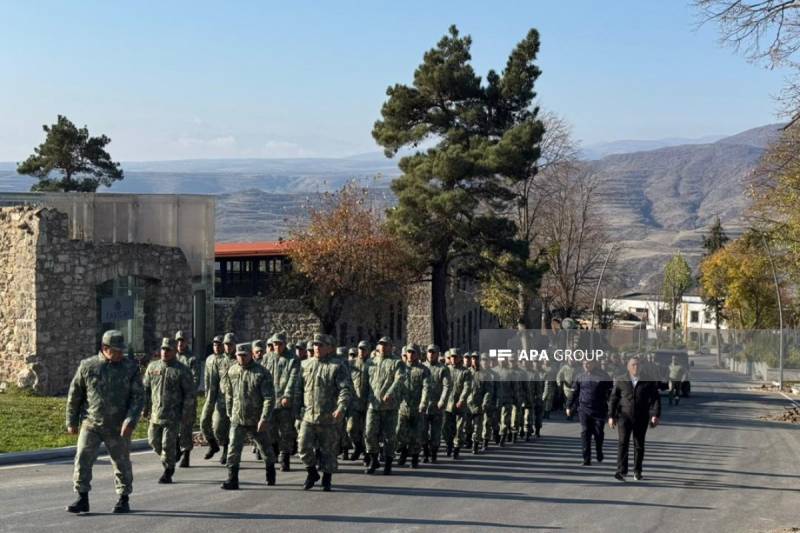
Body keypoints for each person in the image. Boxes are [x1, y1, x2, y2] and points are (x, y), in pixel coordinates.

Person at [65, 330, 144, 514]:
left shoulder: (130, 368)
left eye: (121, 351)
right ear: (104, 348)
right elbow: (75, 394)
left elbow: (138, 397)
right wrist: (71, 420)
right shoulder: (88, 366)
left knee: (121, 462)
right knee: (82, 458)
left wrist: (131, 420)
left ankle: (123, 499)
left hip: (118, 426)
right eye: (115, 351)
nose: (119, 354)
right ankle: (82, 498)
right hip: (91, 423)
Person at [298, 334, 352, 491]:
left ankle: (327, 480)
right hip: (308, 415)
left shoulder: (338, 366)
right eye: (315, 345)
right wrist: (296, 411)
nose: (317, 347)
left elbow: (345, 389)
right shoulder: (305, 365)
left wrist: (341, 408)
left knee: (328, 451)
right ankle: (312, 472)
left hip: (329, 416)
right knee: (302, 446)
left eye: (321, 345)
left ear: (329, 347)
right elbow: (298, 389)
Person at [220, 342, 276, 490]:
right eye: (239, 355)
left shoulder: (261, 373)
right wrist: (229, 411)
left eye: (244, 355)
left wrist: (264, 418)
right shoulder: (232, 371)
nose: (242, 358)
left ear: (251, 354)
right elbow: (229, 394)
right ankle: (232, 479)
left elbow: (269, 398)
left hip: (256, 419)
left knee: (265, 448)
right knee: (233, 448)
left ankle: (270, 470)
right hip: (237, 418)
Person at [143, 337, 195, 483]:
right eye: (163, 349)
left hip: (173, 416)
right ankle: (172, 454)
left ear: (174, 351)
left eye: (168, 350)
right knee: (153, 441)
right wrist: (145, 408)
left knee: (167, 445)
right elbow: (145, 389)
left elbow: (189, 395)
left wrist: (186, 414)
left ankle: (168, 471)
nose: (165, 352)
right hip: (155, 414)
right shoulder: (152, 367)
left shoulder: (182, 370)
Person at [608, 356, 662, 481]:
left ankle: (637, 471)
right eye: (633, 365)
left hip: (641, 417)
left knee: (639, 445)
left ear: (641, 366)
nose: (636, 367)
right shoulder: (621, 380)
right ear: (628, 367)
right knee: (623, 443)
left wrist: (655, 415)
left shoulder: (648, 381)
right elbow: (613, 399)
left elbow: (655, 399)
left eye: (638, 365)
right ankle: (621, 471)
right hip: (624, 417)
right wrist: (611, 416)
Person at [365, 337, 406, 475]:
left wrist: (390, 392)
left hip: (390, 406)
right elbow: (365, 382)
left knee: (389, 436)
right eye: (380, 344)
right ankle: (373, 459)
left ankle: (388, 463)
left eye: (385, 345)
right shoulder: (370, 362)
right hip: (373, 405)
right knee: (370, 433)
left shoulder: (397, 363)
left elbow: (399, 379)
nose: (382, 347)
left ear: (391, 346)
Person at [261, 332, 300, 472]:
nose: (277, 346)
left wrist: (287, 396)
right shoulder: (267, 358)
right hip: (270, 401)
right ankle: (275, 449)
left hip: (284, 403)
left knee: (286, 432)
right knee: (270, 430)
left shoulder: (292, 359)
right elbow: (262, 377)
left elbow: (293, 378)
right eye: (274, 344)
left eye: (279, 344)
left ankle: (285, 457)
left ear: (284, 344)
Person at [566, 359, 612, 466]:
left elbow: (611, 393)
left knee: (598, 433)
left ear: (594, 364)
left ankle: (599, 451)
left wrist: (612, 410)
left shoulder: (604, 376)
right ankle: (586, 459)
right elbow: (574, 393)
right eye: (584, 363)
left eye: (588, 363)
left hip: (599, 409)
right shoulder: (579, 377)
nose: (586, 365)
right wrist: (568, 406)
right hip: (584, 409)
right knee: (585, 432)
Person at [202, 332, 236, 464]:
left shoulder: (238, 359)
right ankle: (215, 445)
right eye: (225, 345)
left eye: (228, 344)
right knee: (215, 426)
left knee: (232, 427)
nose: (226, 347)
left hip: (235, 400)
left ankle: (228, 451)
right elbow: (212, 380)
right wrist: (209, 395)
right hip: (218, 398)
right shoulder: (216, 360)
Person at [396, 345, 431, 467]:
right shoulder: (401, 368)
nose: (410, 354)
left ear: (417, 354)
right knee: (400, 432)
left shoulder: (423, 370)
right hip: (402, 407)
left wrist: (423, 403)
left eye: (413, 352)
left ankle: (415, 457)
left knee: (416, 435)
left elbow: (426, 388)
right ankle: (403, 452)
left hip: (417, 407)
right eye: (408, 352)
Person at [421, 344, 451, 463]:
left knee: (435, 432)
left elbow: (447, 386)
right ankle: (425, 453)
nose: (431, 354)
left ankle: (433, 453)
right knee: (422, 431)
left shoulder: (443, 369)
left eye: (433, 352)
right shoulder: (422, 367)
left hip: (437, 406)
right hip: (423, 406)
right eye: (429, 352)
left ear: (438, 354)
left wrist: (442, 400)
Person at [175, 330, 200, 468]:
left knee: (185, 428)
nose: (180, 343)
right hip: (173, 400)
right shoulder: (173, 357)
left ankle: (186, 454)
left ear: (186, 342)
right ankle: (177, 449)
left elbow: (195, 380)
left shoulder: (192, 359)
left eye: (182, 341)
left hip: (187, 400)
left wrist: (186, 392)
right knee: (173, 427)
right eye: (178, 341)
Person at [200, 335, 226, 460]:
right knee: (203, 422)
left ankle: (226, 448)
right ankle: (213, 445)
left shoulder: (227, 360)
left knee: (219, 426)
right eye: (215, 344)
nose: (216, 347)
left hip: (222, 397)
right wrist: (206, 392)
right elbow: (206, 377)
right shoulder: (209, 359)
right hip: (210, 395)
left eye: (219, 344)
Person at [444, 348, 473, 459]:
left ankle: (456, 448)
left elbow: (467, 387)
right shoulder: (446, 370)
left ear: (459, 358)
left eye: (455, 357)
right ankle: (449, 444)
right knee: (446, 427)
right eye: (452, 357)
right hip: (447, 405)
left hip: (459, 405)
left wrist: (462, 399)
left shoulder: (465, 372)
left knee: (459, 428)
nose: (453, 359)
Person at [347, 340, 372, 463]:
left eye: (364, 349)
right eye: (360, 349)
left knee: (367, 431)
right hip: (354, 403)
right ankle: (358, 447)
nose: (361, 351)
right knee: (351, 428)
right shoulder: (351, 364)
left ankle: (367, 454)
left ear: (368, 350)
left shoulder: (372, 364)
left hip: (369, 403)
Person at [467, 352, 492, 453]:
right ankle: (468, 440)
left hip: (479, 404)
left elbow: (488, 391)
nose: (475, 360)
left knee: (478, 427)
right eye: (473, 359)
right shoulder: (467, 372)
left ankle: (475, 445)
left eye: (477, 359)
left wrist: (485, 402)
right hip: (467, 405)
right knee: (467, 426)